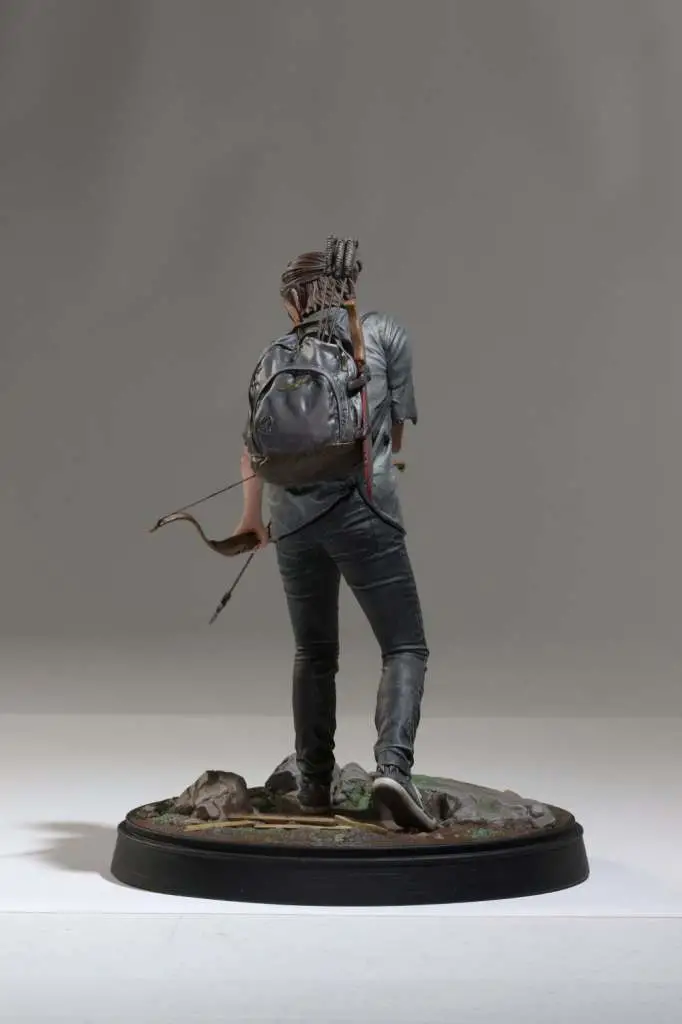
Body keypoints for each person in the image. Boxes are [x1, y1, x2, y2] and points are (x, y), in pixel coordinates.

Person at [233, 248, 436, 831]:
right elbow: (395, 432)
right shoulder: (383, 333)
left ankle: (314, 785)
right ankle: (392, 769)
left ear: (293, 300)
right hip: (364, 513)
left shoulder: (271, 357)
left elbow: (252, 452)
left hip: (291, 524)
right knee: (404, 646)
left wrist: (252, 521)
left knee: (314, 653)